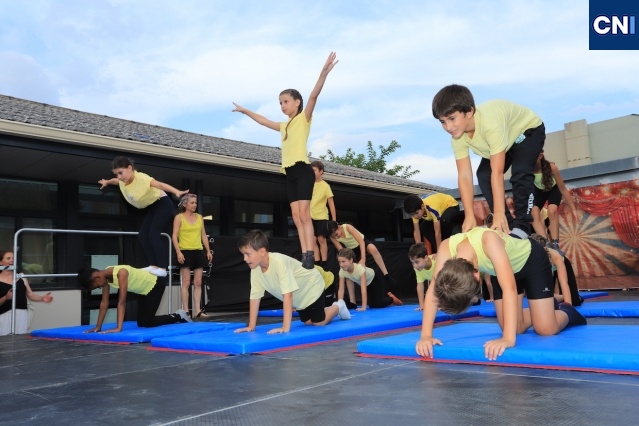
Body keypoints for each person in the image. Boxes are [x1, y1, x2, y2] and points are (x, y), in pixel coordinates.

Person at [232, 52, 338, 269]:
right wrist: (245, 111)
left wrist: (324, 73)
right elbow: (263, 121)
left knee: (305, 215)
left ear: (297, 102)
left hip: (303, 170)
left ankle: (310, 254)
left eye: (286, 101)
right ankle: (305, 251)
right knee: (296, 216)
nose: (282, 105)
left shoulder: (303, 119)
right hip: (289, 173)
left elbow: (313, 97)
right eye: (280, 103)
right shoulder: (283, 126)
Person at [415, 227, 587, 361]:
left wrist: (508, 339)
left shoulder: (488, 240)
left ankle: (567, 310)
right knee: (515, 327)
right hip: (501, 271)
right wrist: (426, 336)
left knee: (545, 329)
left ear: (477, 276)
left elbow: (509, 288)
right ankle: (545, 309)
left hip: (531, 262)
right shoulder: (446, 247)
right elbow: (433, 291)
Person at [432, 84, 545, 239]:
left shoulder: (490, 125)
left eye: (452, 119)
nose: (448, 127)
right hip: (506, 140)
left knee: (520, 173)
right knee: (483, 175)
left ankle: (522, 227)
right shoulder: (457, 138)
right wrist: (469, 215)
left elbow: (497, 172)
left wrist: (498, 213)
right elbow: (464, 176)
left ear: (469, 112)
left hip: (528, 130)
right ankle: (506, 225)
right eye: (442, 122)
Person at [234, 230, 350, 335]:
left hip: (312, 285)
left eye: (248, 254)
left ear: (262, 251)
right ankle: (329, 310)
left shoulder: (278, 262)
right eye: (243, 254)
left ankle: (338, 306)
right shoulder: (255, 270)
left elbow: (288, 294)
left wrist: (285, 327)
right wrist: (251, 326)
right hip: (300, 297)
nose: (245, 259)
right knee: (308, 322)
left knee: (318, 323)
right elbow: (255, 298)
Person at [99, 156, 189, 277]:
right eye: (116, 174)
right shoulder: (122, 181)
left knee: (153, 234)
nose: (119, 177)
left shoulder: (142, 178)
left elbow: (160, 184)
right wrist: (107, 182)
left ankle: (163, 268)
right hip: (153, 206)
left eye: (121, 173)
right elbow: (115, 181)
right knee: (142, 235)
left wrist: (176, 191)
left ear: (129, 168)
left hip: (163, 203)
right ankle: (153, 265)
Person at [77, 265, 192, 333]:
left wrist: (118, 328)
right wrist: (98, 327)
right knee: (142, 323)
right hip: (142, 290)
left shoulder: (121, 273)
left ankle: (179, 316)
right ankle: (178, 316)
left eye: (97, 286)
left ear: (97, 277)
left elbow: (122, 302)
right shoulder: (105, 278)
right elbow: (104, 302)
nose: (100, 287)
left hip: (155, 285)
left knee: (148, 322)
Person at [327, 220, 396, 307]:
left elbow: (361, 241)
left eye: (336, 234)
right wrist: (345, 262)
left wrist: (363, 259)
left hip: (362, 244)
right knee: (348, 272)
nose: (337, 237)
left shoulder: (347, 227)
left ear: (338, 227)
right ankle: (352, 301)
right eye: (334, 236)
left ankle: (386, 274)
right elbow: (341, 250)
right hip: (352, 251)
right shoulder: (333, 237)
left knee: (372, 248)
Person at [172, 193, 214, 319]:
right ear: (185, 204)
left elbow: (203, 235)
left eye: (195, 203)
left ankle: (197, 310)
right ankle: (186, 311)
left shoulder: (199, 217)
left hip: (198, 251)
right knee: (186, 281)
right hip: (185, 251)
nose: (194, 205)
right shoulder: (179, 217)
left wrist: (208, 250)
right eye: (192, 203)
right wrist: (178, 252)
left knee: (198, 282)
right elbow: (174, 236)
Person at [530, 150, 578, 254]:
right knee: (533, 212)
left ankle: (555, 243)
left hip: (553, 189)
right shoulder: (528, 170)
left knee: (552, 210)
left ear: (540, 156)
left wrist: (573, 209)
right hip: (539, 191)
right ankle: (545, 242)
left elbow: (563, 189)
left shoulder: (552, 167)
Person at [0, 250, 53, 335]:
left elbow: (30, 294)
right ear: (1, 262)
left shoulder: (21, 277)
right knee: (5, 340)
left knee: (20, 339)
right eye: (8, 258)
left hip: (21, 314)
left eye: (13, 258)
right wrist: (5, 298)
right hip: (3, 315)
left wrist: (42, 298)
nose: (12, 260)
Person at [336, 248, 402, 310]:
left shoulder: (359, 269)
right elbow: (341, 290)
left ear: (351, 260)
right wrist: (339, 307)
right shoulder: (342, 271)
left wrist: (363, 307)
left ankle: (391, 298)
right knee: (372, 305)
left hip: (375, 279)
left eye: (343, 261)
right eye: (339, 262)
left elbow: (363, 288)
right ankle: (385, 299)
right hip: (368, 284)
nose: (341, 264)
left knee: (378, 304)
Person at [530, 233, 583, 306]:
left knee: (574, 301)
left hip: (560, 265)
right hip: (545, 269)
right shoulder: (527, 256)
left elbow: (563, 282)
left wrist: (568, 306)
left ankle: (575, 297)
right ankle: (560, 297)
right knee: (545, 298)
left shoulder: (555, 257)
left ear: (544, 249)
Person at [310, 160, 336, 267]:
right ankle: (317, 262)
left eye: (314, 170)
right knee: (313, 239)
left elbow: (331, 204)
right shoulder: (309, 184)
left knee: (321, 238)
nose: (312, 172)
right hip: (310, 216)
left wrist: (334, 220)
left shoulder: (325, 186)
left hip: (321, 216)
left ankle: (324, 262)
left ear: (321, 171)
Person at [408, 243, 436, 311]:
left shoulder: (436, 261)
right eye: (412, 263)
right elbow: (420, 285)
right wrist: (422, 305)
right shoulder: (418, 268)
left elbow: (441, 284)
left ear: (426, 258)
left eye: (417, 262)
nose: (415, 266)